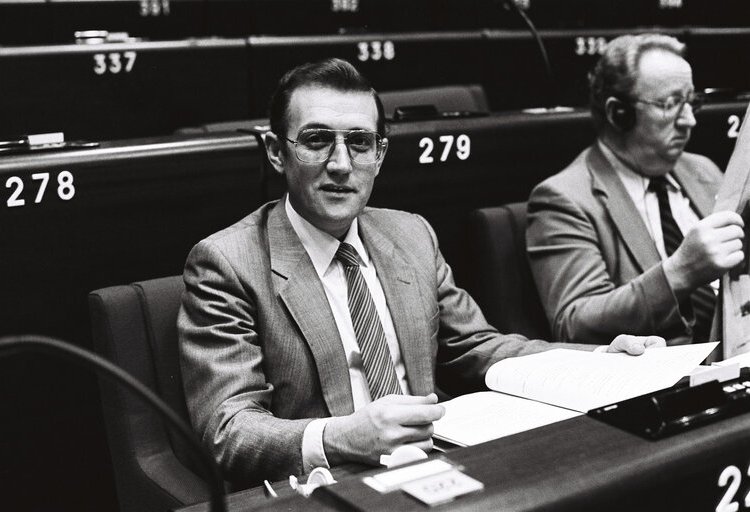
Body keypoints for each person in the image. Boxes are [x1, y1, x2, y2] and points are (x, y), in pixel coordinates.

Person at [178, 58, 663, 489]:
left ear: (380, 155)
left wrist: (596, 360)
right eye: (317, 140)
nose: (341, 164)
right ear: (277, 152)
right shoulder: (227, 262)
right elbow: (229, 431)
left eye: (360, 143)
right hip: (333, 484)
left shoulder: (411, 235)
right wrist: (342, 436)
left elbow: (477, 346)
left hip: (440, 466)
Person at [526, 34, 744, 348]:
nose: (690, 120)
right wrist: (679, 272)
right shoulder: (563, 198)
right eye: (671, 105)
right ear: (619, 113)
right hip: (663, 379)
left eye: (692, 102)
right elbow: (573, 322)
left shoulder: (703, 170)